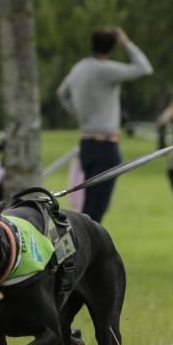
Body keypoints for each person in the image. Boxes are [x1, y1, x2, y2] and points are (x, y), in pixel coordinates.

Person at [57, 27, 152, 223]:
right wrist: (126, 42)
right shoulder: (106, 70)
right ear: (111, 48)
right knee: (97, 208)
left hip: (87, 145)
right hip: (106, 146)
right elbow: (144, 68)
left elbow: (62, 93)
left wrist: (79, 114)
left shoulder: (79, 68)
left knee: (88, 204)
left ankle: (83, 247)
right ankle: (88, 250)